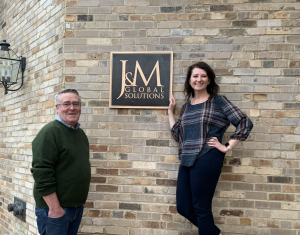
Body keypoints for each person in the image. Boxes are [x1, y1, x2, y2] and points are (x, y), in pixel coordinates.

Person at [168, 62, 253, 235]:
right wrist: (170, 112)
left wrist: (227, 146)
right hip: (187, 158)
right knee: (184, 207)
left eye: (203, 76)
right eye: (195, 76)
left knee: (201, 208)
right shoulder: (186, 106)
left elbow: (245, 122)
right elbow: (178, 135)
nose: (199, 79)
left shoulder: (218, 101)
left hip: (208, 156)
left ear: (209, 80)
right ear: (189, 80)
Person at [31, 89, 91, 235]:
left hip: (75, 208)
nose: (72, 108)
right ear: (57, 107)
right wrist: (55, 209)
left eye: (76, 103)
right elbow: (41, 173)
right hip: (55, 210)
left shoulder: (80, 134)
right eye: (66, 104)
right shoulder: (50, 133)